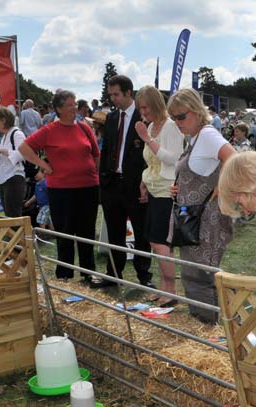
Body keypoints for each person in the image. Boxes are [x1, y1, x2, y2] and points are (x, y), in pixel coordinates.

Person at [167, 88, 235, 325]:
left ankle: (212, 328)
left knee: (203, 275)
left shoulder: (207, 135)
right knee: (198, 274)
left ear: (196, 111)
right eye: (173, 118)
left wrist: (220, 185)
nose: (177, 122)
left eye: (181, 117)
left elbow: (233, 158)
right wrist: (179, 189)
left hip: (206, 221)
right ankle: (211, 326)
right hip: (194, 220)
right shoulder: (195, 138)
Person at [20, 90, 100, 282]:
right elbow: (24, 148)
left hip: (88, 187)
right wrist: (44, 165)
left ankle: (88, 273)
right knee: (65, 232)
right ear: (59, 109)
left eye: (75, 104)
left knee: (87, 232)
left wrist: (93, 172)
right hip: (61, 190)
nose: (75, 108)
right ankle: (64, 273)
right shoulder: (49, 130)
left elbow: (96, 153)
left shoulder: (84, 128)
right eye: (70, 105)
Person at [96, 74, 151, 289]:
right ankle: (113, 274)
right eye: (110, 95)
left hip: (136, 185)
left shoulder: (143, 117)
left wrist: (145, 182)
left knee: (141, 232)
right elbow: (107, 149)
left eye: (116, 94)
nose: (113, 99)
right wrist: (104, 178)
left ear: (129, 92)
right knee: (114, 232)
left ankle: (144, 276)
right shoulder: (111, 118)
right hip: (112, 184)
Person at [134, 84, 185, 306]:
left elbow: (172, 159)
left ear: (155, 104)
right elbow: (151, 162)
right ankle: (164, 286)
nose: (142, 112)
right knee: (155, 241)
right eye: (140, 108)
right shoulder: (152, 126)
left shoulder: (170, 127)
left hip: (167, 191)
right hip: (154, 189)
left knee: (160, 242)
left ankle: (171, 290)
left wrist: (147, 139)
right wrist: (144, 182)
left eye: (145, 107)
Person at [0, 107, 26, 217]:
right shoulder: (5, 136)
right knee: (10, 216)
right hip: (4, 178)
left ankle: (24, 234)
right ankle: (21, 234)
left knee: (14, 216)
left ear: (4, 120)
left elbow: (21, 155)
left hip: (14, 178)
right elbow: (3, 157)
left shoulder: (17, 134)